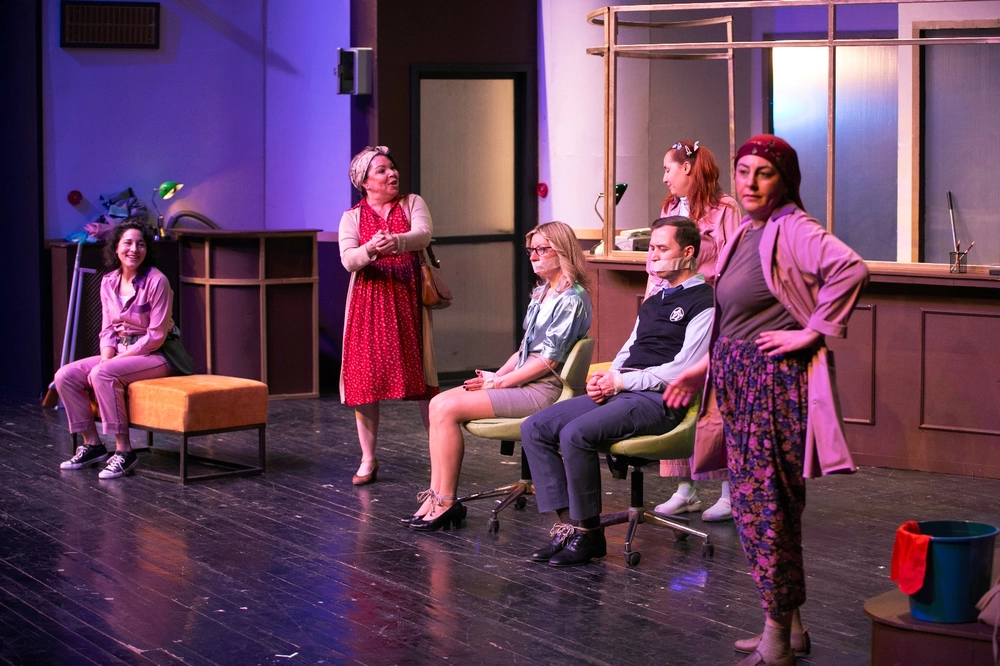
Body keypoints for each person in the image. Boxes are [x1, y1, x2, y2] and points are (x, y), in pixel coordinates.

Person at [664, 135, 869, 666]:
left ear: (785, 180)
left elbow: (850, 268)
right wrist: (701, 368)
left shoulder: (793, 226)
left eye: (764, 173)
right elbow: (735, 318)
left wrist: (813, 331)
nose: (750, 183)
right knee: (764, 506)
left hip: (771, 384)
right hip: (737, 377)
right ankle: (789, 628)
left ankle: (776, 639)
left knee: (766, 508)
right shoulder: (749, 230)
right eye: (743, 171)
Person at [520, 217, 713, 567]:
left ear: (688, 253)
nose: (653, 255)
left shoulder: (706, 301)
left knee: (575, 434)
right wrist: (608, 376)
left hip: (661, 400)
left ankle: (589, 534)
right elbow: (629, 348)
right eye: (651, 248)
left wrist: (622, 382)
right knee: (535, 427)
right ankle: (572, 528)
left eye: (661, 248)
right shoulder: (654, 299)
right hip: (624, 390)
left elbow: (683, 369)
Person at [405, 221, 592, 532]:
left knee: (448, 409)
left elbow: (548, 360)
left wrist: (499, 383)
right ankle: (435, 496)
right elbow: (524, 350)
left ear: (562, 251)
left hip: (544, 390)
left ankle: (447, 501)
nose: (533, 256)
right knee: (438, 403)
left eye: (542, 249)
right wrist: (497, 375)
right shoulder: (543, 292)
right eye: (531, 250)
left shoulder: (572, 298)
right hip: (524, 381)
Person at [651, 140, 742, 523]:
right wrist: (651, 311)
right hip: (673, 312)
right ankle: (685, 489)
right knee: (675, 391)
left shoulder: (725, 209)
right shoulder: (670, 208)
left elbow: (735, 265)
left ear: (687, 167)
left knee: (716, 400)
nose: (665, 178)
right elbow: (655, 263)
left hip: (712, 311)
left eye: (668, 169)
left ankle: (729, 492)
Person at [339, 146, 438, 486]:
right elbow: (348, 259)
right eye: (381, 170)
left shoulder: (412, 203)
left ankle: (439, 453)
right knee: (364, 381)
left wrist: (394, 241)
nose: (391, 173)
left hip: (407, 297)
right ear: (365, 182)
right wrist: (370, 248)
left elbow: (423, 234)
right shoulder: (352, 217)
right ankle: (368, 458)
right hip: (368, 303)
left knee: (423, 376)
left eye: (392, 168)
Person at [56, 220, 176, 479]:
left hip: (157, 354)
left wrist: (109, 364)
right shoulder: (109, 281)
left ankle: (124, 451)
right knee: (65, 375)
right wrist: (106, 358)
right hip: (121, 351)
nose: (134, 249)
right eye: (128, 243)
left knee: (103, 374)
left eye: (141, 244)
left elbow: (156, 336)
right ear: (116, 248)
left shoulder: (157, 281)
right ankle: (92, 445)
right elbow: (108, 330)